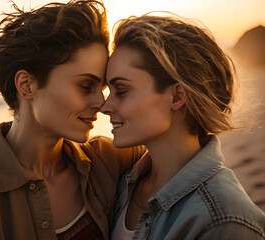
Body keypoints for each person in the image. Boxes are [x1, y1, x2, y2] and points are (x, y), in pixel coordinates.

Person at [0, 1, 146, 239]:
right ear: (26, 85)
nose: (101, 103)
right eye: (85, 86)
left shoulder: (112, 160)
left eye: (102, 88)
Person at [101, 13, 265, 239]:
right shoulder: (120, 181)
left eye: (121, 91)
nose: (105, 106)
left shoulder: (225, 220)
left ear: (177, 97)